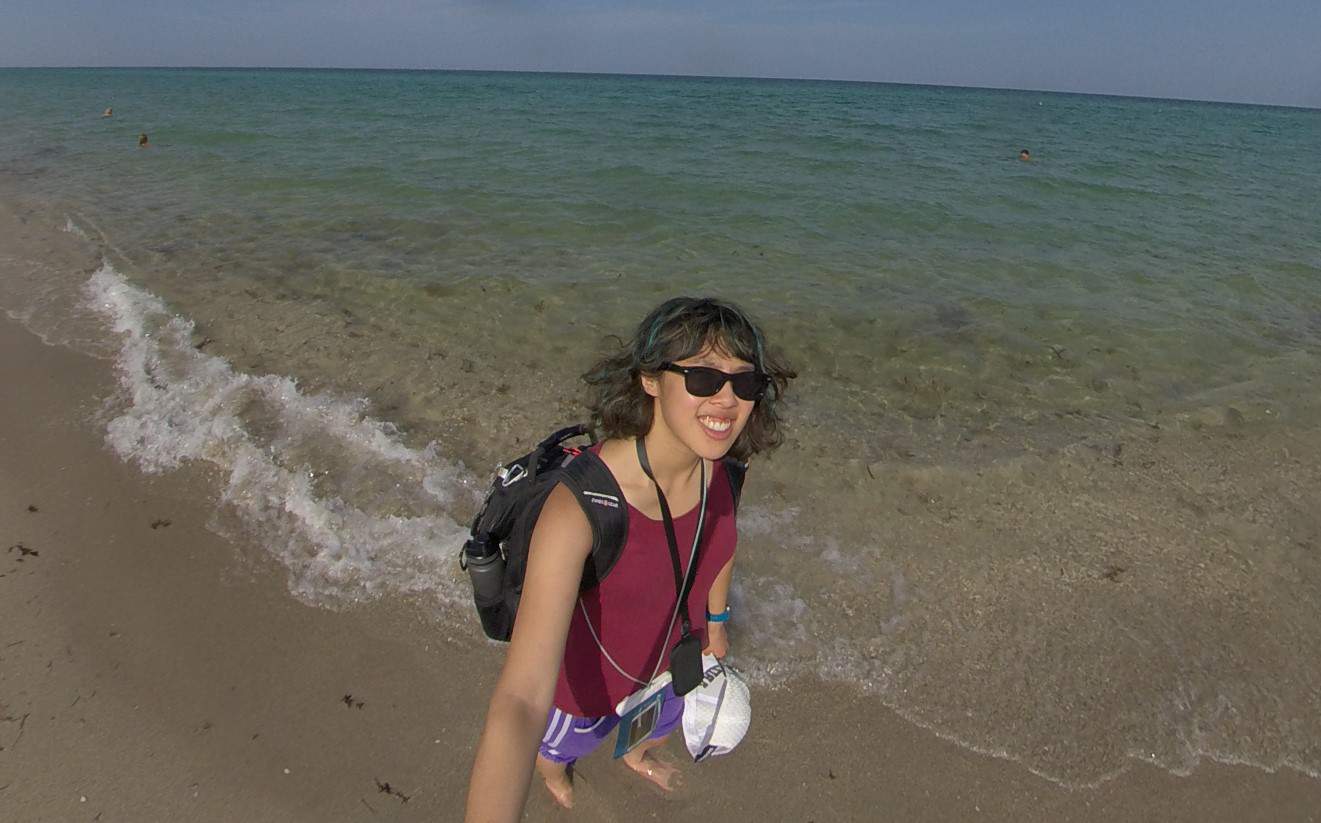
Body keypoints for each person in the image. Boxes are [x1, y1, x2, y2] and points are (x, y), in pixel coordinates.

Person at [464, 297, 794, 821]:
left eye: (745, 382)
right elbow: (522, 701)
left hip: (674, 663)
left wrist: (716, 619)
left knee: (655, 724)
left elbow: (719, 544)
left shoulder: (726, 469)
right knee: (563, 742)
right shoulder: (581, 508)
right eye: (705, 378)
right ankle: (555, 768)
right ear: (650, 379)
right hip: (587, 683)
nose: (728, 400)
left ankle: (637, 752)